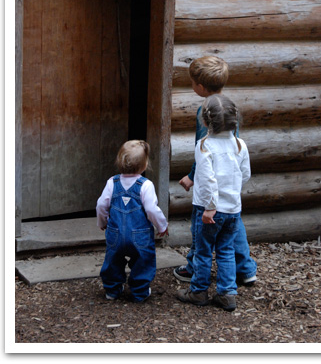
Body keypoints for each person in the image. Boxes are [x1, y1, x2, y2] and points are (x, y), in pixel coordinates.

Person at [174, 55, 257, 286]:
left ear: (200, 87)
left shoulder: (205, 112)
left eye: (192, 82)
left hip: (211, 180)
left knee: (201, 225)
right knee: (233, 223)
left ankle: (193, 267)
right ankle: (246, 269)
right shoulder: (229, 108)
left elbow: (203, 151)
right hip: (230, 180)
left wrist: (191, 176)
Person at [176, 94, 251, 311]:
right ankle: (227, 294)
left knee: (203, 250)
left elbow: (208, 180)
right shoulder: (240, 145)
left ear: (206, 121)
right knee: (226, 250)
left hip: (209, 210)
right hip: (233, 210)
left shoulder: (204, 146)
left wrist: (210, 207)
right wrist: (231, 193)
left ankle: (198, 291)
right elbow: (244, 174)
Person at [96, 140, 168, 303]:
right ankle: (140, 291)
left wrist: (102, 222)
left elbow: (101, 204)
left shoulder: (112, 183)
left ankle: (112, 290)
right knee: (143, 261)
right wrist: (162, 226)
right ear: (144, 165)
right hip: (140, 236)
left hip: (115, 234)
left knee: (113, 260)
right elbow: (151, 209)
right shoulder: (146, 185)